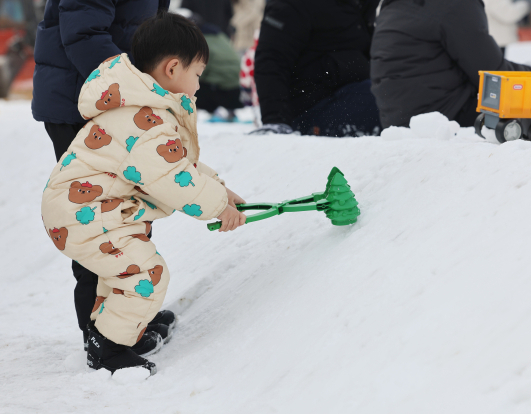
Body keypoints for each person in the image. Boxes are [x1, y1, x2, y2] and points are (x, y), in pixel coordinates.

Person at [41, 10, 247, 376]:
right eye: (197, 75)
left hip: (89, 209)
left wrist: (221, 189)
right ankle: (107, 349)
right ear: (172, 69)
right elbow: (171, 178)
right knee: (146, 274)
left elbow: (176, 164)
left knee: (120, 275)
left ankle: (122, 331)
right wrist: (218, 206)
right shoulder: (144, 119)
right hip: (84, 214)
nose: (199, 85)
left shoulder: (144, 108)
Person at [31, 0, 175, 355]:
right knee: (96, 221)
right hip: (83, 105)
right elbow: (83, 34)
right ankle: (101, 333)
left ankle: (124, 318)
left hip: (113, 102)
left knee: (126, 213)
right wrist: (138, 89)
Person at [370, 0, 531, 130]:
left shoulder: (395, 6)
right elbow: (494, 75)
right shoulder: (453, 5)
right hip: (443, 116)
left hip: (398, 118)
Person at [251, 0, 382, 137]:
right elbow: (272, 58)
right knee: (390, 105)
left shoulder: (355, 5)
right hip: (313, 107)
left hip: (356, 92)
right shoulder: (293, 5)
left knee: (395, 97)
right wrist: (275, 120)